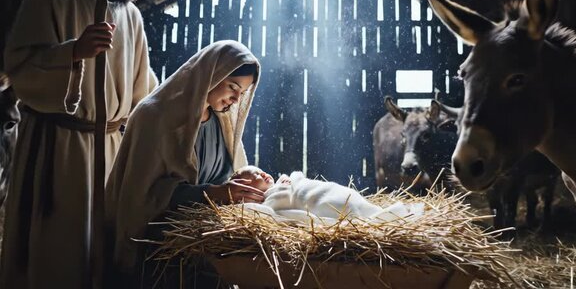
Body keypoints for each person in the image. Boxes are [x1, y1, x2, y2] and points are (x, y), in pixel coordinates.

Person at [0, 0, 167, 287]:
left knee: (100, 256)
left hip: (108, 153)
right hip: (55, 150)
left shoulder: (131, 17)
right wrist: (72, 53)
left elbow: (145, 92)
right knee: (55, 254)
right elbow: (19, 68)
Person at [105, 40, 262, 287]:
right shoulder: (154, 117)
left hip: (209, 236)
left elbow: (230, 173)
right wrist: (211, 194)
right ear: (212, 74)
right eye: (232, 87)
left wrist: (248, 182)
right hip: (163, 247)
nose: (235, 98)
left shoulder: (223, 123)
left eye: (241, 93)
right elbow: (140, 196)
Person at [235, 166, 425, 223]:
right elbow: (273, 210)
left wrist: (291, 180)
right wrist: (285, 188)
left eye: (261, 170)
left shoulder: (283, 182)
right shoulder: (271, 197)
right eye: (256, 175)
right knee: (340, 208)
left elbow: (299, 179)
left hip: (324, 191)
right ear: (245, 187)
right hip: (318, 202)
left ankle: (370, 211)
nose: (264, 173)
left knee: (347, 197)